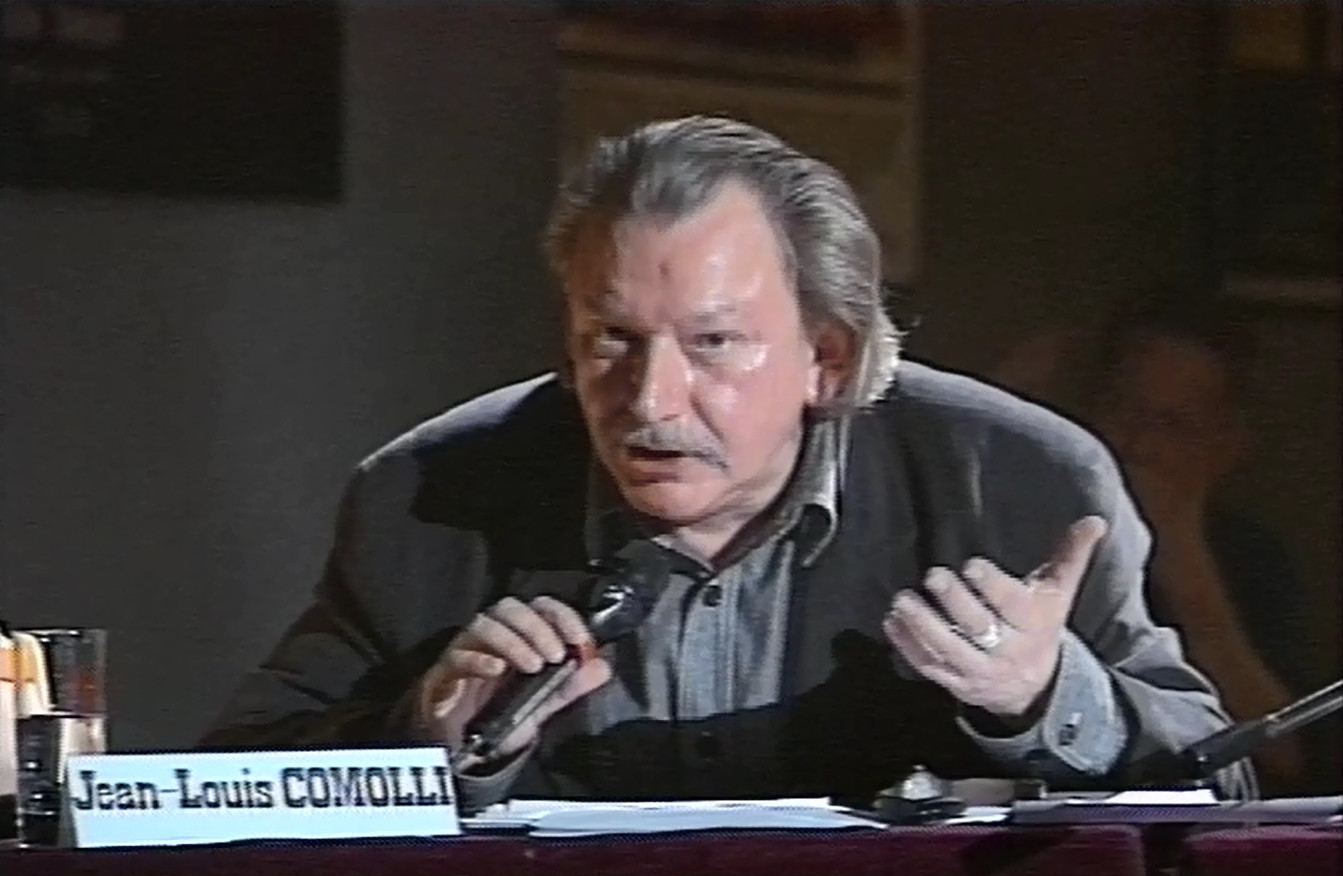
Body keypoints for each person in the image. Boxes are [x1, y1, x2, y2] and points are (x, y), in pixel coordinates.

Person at [201, 116, 1251, 811]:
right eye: (609, 341)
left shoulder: (1020, 482)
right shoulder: (426, 499)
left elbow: (1221, 785)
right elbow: (227, 790)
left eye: (712, 344)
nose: (650, 401)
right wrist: (424, 740)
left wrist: (1043, 696)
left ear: (826, 356)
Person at [1089, 298, 1330, 793]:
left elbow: (1289, 758)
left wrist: (1185, 564)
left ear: (1228, 445)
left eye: (1172, 426)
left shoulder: (1252, 558)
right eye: (1121, 409)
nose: (1137, 445)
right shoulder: (1030, 526)